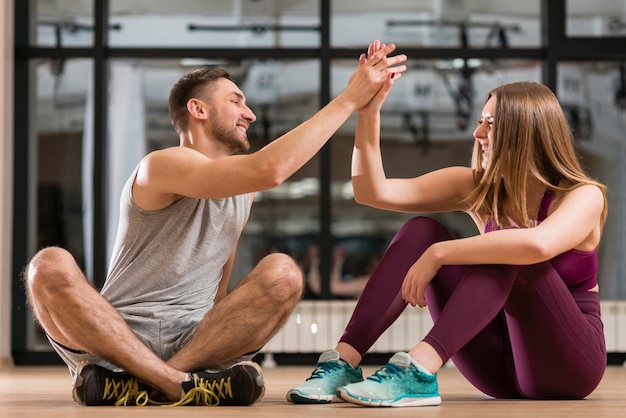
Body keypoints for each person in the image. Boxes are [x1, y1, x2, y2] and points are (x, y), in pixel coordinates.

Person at [22, 41, 407, 407]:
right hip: (117, 337)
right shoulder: (161, 164)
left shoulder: (244, 192)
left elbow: (219, 286)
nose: (250, 114)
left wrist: (214, 342)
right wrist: (347, 99)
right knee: (47, 265)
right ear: (198, 110)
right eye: (236, 101)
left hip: (195, 342)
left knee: (285, 274)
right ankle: (177, 384)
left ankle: (145, 383)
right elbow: (270, 169)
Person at [287, 42, 607, 408]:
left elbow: (537, 246)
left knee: (511, 248)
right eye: (480, 122)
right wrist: (369, 112)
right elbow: (371, 191)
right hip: (499, 367)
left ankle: (419, 369)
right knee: (420, 231)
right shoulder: (477, 188)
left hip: (569, 364)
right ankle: (344, 361)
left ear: (523, 132)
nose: (478, 134)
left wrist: (440, 254)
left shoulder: (581, 195)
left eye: (490, 124)